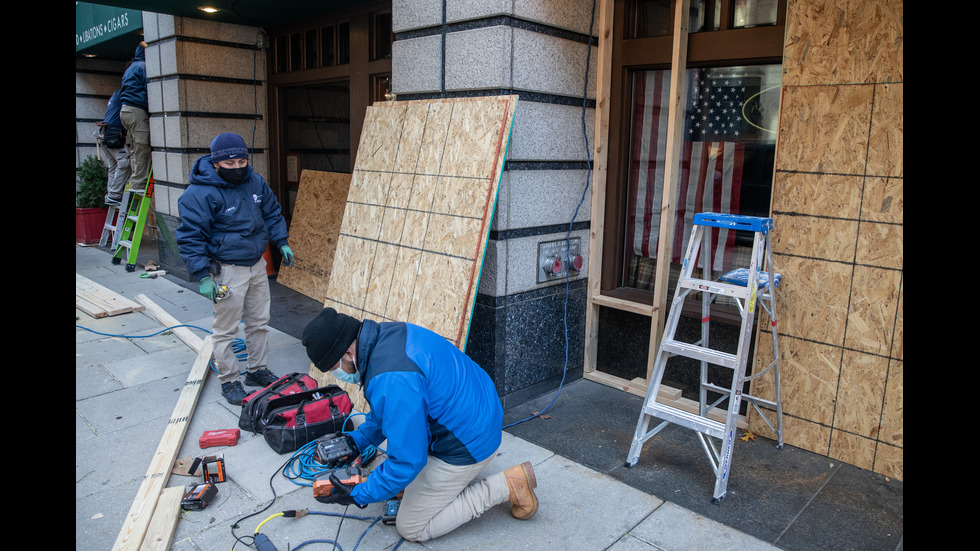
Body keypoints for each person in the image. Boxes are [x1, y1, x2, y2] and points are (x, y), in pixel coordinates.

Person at [301, 307, 539, 543]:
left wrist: (359, 494)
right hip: (479, 407)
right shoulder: (386, 336)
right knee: (399, 476)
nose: (338, 374)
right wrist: (356, 442)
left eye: (335, 368)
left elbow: (408, 460)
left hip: (470, 440)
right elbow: (390, 411)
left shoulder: (391, 378)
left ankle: (508, 485)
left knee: (412, 527)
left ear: (347, 353)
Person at [176, 132, 296, 404]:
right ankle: (230, 380)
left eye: (242, 161)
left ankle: (257, 370)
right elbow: (190, 236)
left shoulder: (254, 181)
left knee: (259, 322)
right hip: (227, 270)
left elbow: (272, 212)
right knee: (226, 329)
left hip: (256, 264)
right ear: (216, 163)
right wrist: (201, 275)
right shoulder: (199, 193)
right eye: (230, 164)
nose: (238, 168)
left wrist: (282, 241)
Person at [119, 42, 150, 194]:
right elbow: (150, 88)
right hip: (136, 110)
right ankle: (138, 185)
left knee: (135, 148)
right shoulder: (143, 67)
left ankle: (135, 181)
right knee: (142, 146)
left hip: (125, 110)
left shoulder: (130, 68)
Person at [97, 89, 131, 205]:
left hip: (105, 132)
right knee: (124, 162)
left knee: (113, 165)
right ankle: (114, 194)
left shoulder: (115, 95)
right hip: (113, 133)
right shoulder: (123, 95)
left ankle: (111, 195)